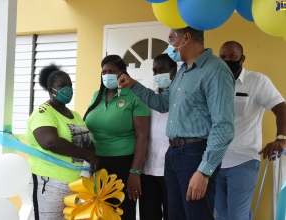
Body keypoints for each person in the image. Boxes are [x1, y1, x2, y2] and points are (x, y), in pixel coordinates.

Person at [118, 26, 235, 220]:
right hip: (174, 154)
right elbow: (163, 104)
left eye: (171, 38)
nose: (169, 45)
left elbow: (223, 126)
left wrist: (204, 171)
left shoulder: (215, 70)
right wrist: (133, 85)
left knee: (196, 215)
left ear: (186, 38)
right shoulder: (183, 71)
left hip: (195, 153)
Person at [214, 41, 286, 220]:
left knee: (237, 216)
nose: (227, 60)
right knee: (221, 214)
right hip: (213, 160)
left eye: (232, 56)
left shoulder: (257, 81)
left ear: (242, 58)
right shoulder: (213, 82)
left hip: (243, 159)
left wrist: (281, 137)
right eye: (223, 57)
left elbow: (281, 109)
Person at [26, 64, 99, 220]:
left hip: (75, 183)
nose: (68, 89)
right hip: (48, 181)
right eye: (62, 86)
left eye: (70, 85)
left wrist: (93, 156)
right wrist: (87, 154)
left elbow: (86, 139)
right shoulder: (43, 112)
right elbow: (50, 142)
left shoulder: (74, 115)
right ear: (50, 88)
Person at [83, 55, 150, 220]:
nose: (107, 75)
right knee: (98, 211)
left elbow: (143, 136)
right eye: (104, 71)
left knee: (122, 212)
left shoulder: (135, 96)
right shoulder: (96, 96)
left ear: (122, 73)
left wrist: (135, 172)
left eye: (111, 71)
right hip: (97, 164)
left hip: (123, 163)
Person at [139, 53, 177, 220]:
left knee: (173, 214)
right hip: (147, 170)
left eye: (163, 70)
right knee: (148, 215)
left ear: (173, 71)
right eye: (155, 71)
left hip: (171, 170)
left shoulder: (181, 98)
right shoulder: (147, 98)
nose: (158, 74)